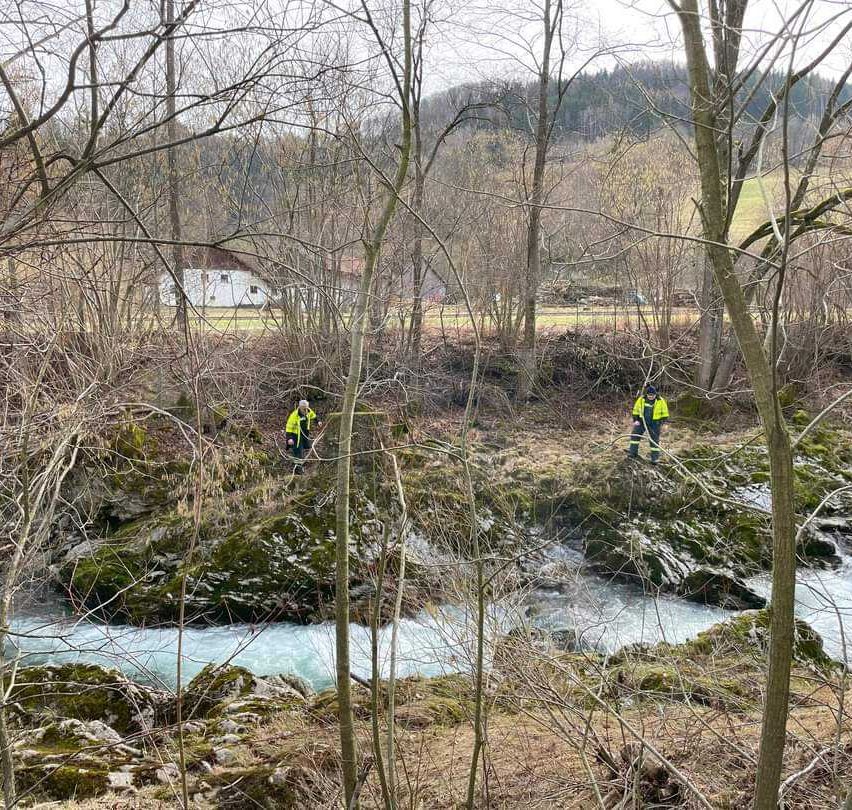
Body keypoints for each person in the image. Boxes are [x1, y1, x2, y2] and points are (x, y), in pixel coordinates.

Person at [627, 384, 669, 463]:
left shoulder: (661, 401)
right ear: (646, 394)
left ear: (655, 394)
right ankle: (632, 453)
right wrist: (635, 420)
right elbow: (635, 410)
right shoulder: (641, 399)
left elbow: (665, 414)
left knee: (654, 441)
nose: (650, 397)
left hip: (655, 424)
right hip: (641, 422)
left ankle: (655, 459)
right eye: (649, 395)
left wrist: (662, 423)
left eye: (652, 395)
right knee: (635, 436)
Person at [286, 399, 320, 474]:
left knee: (306, 447)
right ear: (300, 408)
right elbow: (288, 428)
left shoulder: (308, 411)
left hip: (305, 435)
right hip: (296, 436)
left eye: (306, 408)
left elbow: (313, 416)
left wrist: (318, 421)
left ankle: (300, 462)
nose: (306, 410)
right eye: (304, 409)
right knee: (298, 451)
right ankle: (298, 469)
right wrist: (289, 438)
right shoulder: (294, 415)